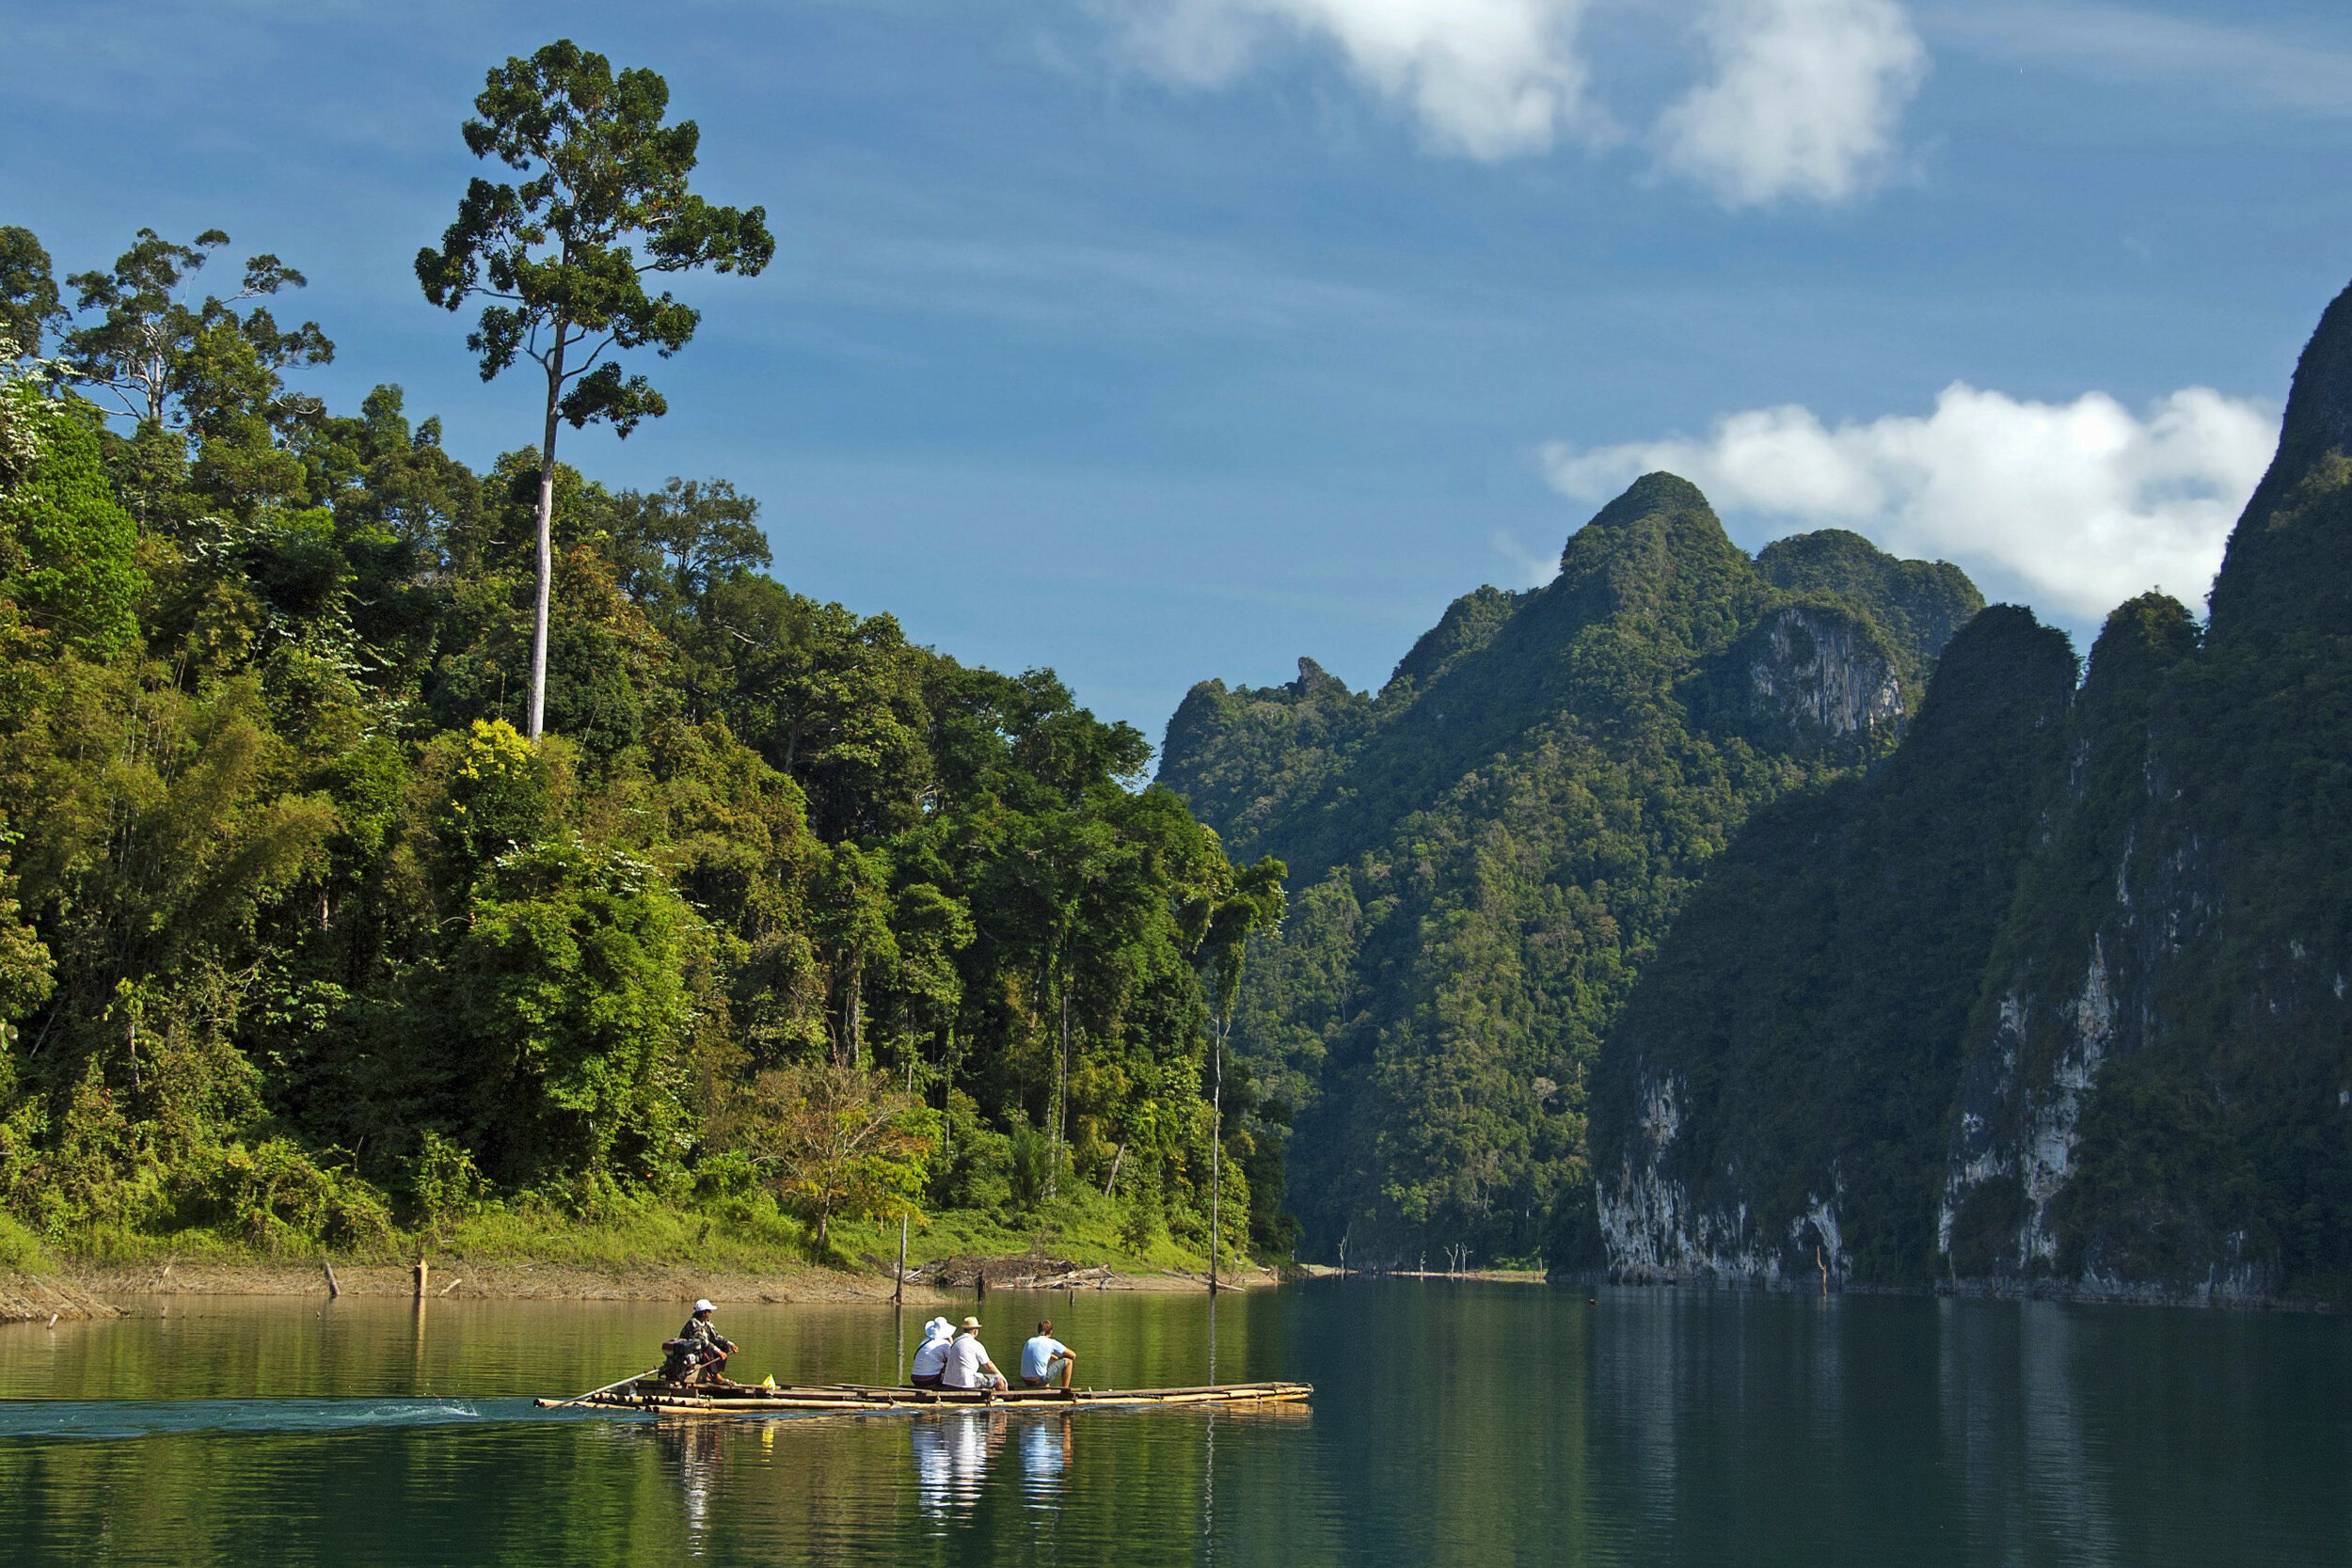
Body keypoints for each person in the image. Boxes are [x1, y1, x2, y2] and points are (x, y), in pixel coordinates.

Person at [660, 1298, 738, 1386]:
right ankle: (715, 1376)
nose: (711, 1313)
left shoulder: (706, 1323)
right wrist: (719, 1352)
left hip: (703, 1350)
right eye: (709, 1311)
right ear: (704, 1313)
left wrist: (729, 1344)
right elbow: (704, 1342)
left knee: (724, 1346)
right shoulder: (693, 1324)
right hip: (692, 1352)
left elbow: (715, 1336)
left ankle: (712, 1373)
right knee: (707, 1348)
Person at [941, 1315, 1008, 1391]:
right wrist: (1002, 1377)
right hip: (966, 1383)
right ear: (975, 1331)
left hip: (949, 1383)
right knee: (999, 1380)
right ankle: (1008, 1398)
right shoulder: (975, 1344)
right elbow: (989, 1365)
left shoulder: (955, 1343)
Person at [1019, 1319, 1077, 1391]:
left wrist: (1055, 1358)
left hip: (1025, 1380)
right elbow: (1073, 1355)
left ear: (1038, 1330)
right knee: (1068, 1362)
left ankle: (1048, 1393)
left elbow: (1036, 1355)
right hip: (1039, 1380)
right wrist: (1061, 1359)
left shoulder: (1029, 1341)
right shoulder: (1051, 1342)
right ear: (1051, 1332)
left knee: (1043, 1372)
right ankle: (1065, 1391)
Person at [911, 1315, 956, 1388]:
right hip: (929, 1379)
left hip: (914, 1378)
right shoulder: (944, 1344)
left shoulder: (924, 1341)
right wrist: (951, 1341)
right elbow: (954, 1359)